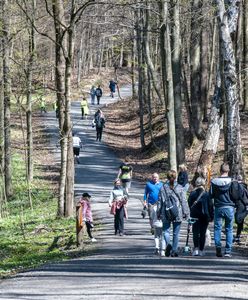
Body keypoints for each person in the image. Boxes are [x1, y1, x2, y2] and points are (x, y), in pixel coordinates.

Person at [157, 170, 190, 257]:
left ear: (167, 177)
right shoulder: (180, 187)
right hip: (177, 212)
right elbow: (184, 201)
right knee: (176, 233)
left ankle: (169, 245)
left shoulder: (162, 187)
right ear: (175, 177)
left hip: (166, 212)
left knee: (166, 231)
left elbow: (159, 202)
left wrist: (158, 213)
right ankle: (174, 251)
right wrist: (186, 212)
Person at [209, 163, 235, 257]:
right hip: (230, 208)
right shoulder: (232, 182)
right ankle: (228, 251)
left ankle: (218, 247)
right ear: (228, 171)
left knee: (217, 228)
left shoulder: (214, 181)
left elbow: (210, 195)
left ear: (220, 170)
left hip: (218, 207)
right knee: (229, 229)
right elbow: (235, 195)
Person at [188, 177, 214, 256]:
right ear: (203, 184)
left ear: (196, 184)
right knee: (203, 233)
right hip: (204, 216)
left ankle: (195, 248)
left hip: (195, 215)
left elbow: (189, 204)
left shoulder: (192, 193)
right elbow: (210, 206)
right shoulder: (206, 194)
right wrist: (211, 216)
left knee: (195, 232)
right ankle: (201, 250)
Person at [230, 175, 248, 244]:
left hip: (238, 205)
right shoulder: (245, 186)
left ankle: (236, 236)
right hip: (243, 205)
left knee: (237, 220)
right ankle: (238, 236)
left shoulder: (236, 185)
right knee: (240, 222)